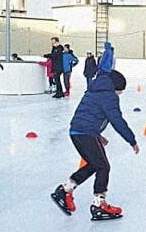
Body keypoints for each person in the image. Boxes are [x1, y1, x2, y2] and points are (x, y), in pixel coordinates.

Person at [50, 69, 140, 220]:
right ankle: (99, 205)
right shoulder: (109, 96)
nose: (119, 95)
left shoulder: (95, 89)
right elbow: (116, 120)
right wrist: (132, 140)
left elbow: (88, 115)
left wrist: (98, 135)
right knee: (103, 166)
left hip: (77, 132)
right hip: (86, 134)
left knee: (94, 165)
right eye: (120, 92)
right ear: (116, 87)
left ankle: (65, 190)